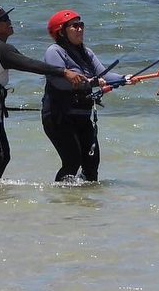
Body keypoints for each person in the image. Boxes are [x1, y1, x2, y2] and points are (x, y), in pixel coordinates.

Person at [0, 4, 85, 179]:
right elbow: (30, 64)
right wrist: (64, 72)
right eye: (4, 20)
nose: (9, 22)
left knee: (1, 159)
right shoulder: (0, 49)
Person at [41, 9, 132, 183]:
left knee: (91, 163)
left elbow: (103, 75)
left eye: (81, 25)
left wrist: (125, 79)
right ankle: (61, 202)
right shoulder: (54, 51)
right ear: (61, 31)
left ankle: (86, 206)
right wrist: (92, 82)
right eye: (74, 26)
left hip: (81, 116)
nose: (80, 29)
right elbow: (61, 82)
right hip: (59, 117)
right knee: (72, 162)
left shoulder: (86, 53)